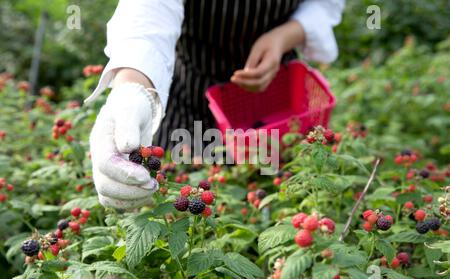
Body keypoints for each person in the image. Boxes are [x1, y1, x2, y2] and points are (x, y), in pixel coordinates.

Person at [85, 0, 345, 209]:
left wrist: (283, 37)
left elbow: (325, 5)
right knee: (179, 202)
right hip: (191, 101)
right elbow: (148, 14)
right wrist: (131, 91)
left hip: (275, 102)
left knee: (277, 202)